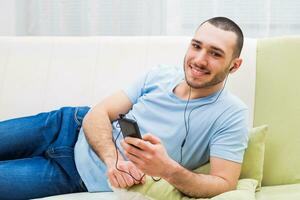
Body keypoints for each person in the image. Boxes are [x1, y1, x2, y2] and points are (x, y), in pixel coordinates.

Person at [0, 16, 248, 199]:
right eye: (196, 46)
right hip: (66, 125)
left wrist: (168, 170)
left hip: (73, 175)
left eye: (215, 54)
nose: (199, 59)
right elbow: (98, 113)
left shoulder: (231, 115)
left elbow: (224, 183)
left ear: (234, 66)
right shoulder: (160, 75)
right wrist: (113, 159)